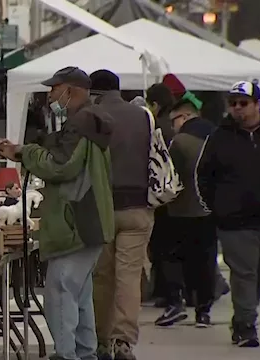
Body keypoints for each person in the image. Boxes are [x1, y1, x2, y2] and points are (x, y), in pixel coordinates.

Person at [0, 66, 114, 360]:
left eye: (54, 89)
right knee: (79, 295)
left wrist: (26, 153)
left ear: (70, 90)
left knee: (60, 293)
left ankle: (66, 354)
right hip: (88, 220)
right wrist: (25, 150)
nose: (50, 95)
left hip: (76, 220)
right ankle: (85, 354)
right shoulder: (90, 120)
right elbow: (63, 154)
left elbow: (61, 166)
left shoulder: (82, 122)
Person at [196, 81, 260, 347]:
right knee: (244, 273)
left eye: (243, 103)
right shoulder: (219, 137)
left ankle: (241, 317)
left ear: (257, 105)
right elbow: (203, 175)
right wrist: (217, 207)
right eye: (233, 103)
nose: (237, 108)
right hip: (235, 222)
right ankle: (247, 325)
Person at [89, 70, 153, 360]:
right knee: (128, 277)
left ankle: (101, 339)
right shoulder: (143, 116)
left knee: (102, 276)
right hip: (138, 207)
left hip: (102, 208)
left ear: (95, 92)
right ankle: (123, 341)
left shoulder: (91, 117)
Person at [154, 99, 217, 328]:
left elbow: (170, 175)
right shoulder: (216, 136)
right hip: (208, 210)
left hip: (180, 209)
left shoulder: (179, 141)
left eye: (174, 120)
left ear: (185, 117)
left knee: (172, 258)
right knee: (205, 261)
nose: (172, 126)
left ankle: (175, 303)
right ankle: (203, 311)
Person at [144, 83, 176, 308]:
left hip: (161, 195)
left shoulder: (157, 127)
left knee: (161, 246)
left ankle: (164, 291)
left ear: (155, 104)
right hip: (174, 193)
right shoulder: (173, 124)